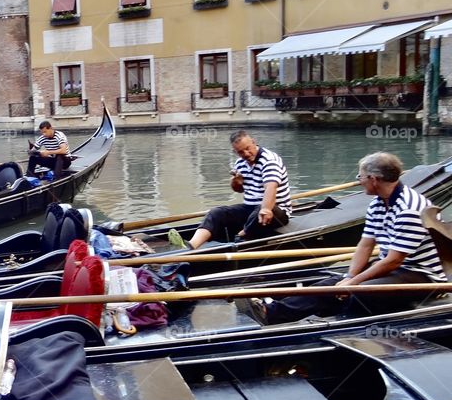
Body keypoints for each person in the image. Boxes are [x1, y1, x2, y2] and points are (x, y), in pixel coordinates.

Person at [258, 152, 447, 324]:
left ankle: (336, 320)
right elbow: (365, 245)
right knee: (332, 283)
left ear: (373, 179)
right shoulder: (377, 204)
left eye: (360, 177)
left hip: (422, 275)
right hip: (394, 267)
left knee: (360, 292)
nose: (359, 181)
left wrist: (353, 283)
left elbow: (394, 261)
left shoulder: (409, 208)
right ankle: (273, 312)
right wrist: (349, 277)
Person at [176, 131, 290, 250]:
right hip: (250, 209)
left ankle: (241, 236)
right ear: (235, 152)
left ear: (253, 142)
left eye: (248, 148)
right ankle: (191, 245)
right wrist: (236, 182)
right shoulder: (240, 163)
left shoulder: (269, 160)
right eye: (241, 152)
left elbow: (271, 187)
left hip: (277, 210)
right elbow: (238, 190)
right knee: (217, 212)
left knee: (260, 210)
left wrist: (266, 209)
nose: (246, 153)